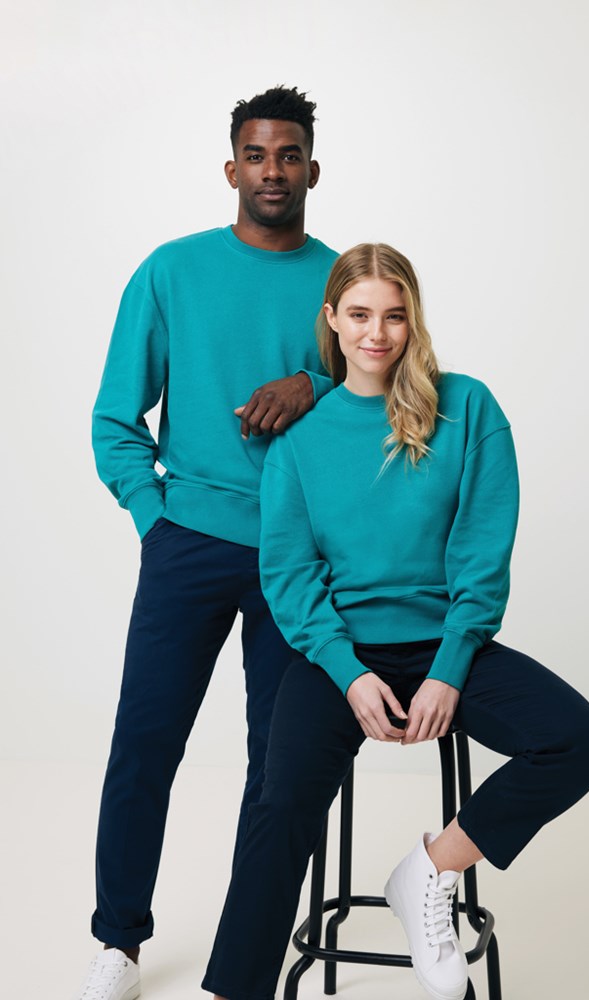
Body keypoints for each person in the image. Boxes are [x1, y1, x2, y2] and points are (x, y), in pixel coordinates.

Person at [203, 243, 589, 1000]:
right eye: (359, 315)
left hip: (446, 644)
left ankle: (429, 870)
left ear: (412, 320)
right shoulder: (300, 439)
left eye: (394, 316)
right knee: (279, 800)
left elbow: (482, 552)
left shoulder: (468, 408)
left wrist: (449, 670)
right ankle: (235, 991)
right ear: (332, 318)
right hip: (340, 656)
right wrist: (348, 674)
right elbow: (289, 574)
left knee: (578, 739)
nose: (377, 333)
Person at [78, 86, 338, 1000]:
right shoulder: (172, 271)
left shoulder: (342, 282)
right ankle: (118, 942)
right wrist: (156, 521)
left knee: (280, 767)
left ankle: (241, 972)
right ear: (232, 168)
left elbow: (388, 393)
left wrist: (312, 383)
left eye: (289, 155)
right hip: (187, 543)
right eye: (256, 155)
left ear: (313, 169)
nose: (273, 171)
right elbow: (115, 419)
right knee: (145, 745)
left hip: (299, 559)